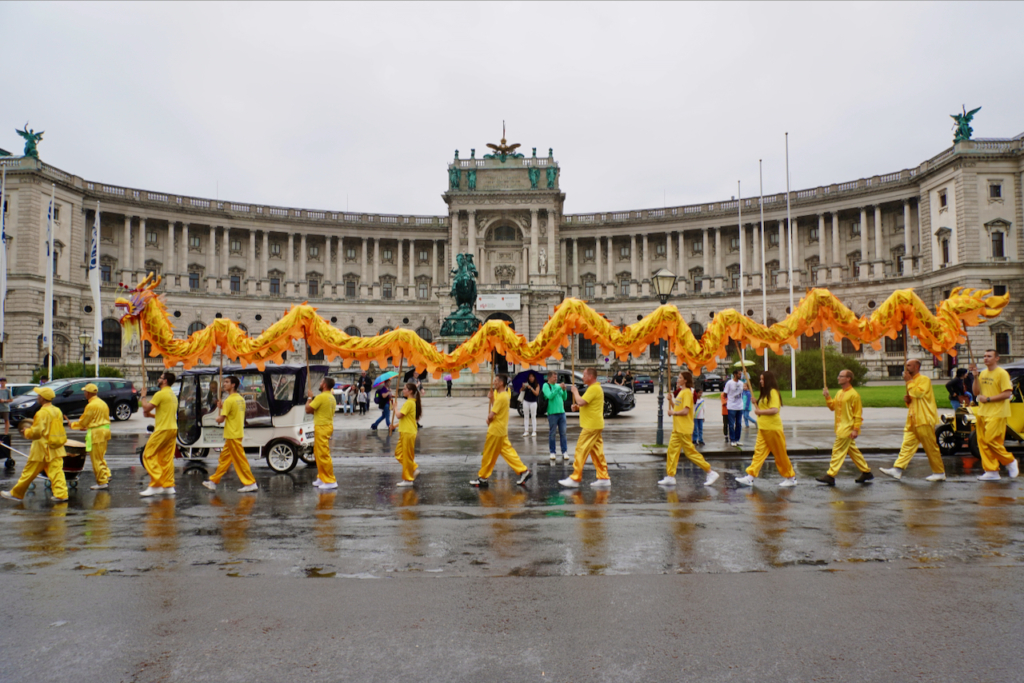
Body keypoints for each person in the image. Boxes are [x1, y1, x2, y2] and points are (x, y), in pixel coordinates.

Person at [881, 358, 945, 482]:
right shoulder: (911, 381)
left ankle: (939, 472)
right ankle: (898, 469)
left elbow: (918, 393)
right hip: (913, 418)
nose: (906, 368)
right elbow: (914, 400)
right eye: (906, 365)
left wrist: (909, 382)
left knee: (930, 446)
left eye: (909, 365)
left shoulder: (924, 379)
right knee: (907, 444)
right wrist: (908, 401)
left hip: (924, 418)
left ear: (917, 367)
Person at [1, 387, 69, 503]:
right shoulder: (57, 410)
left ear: (42, 398)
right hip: (55, 446)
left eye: (39, 395)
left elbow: (37, 432)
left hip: (41, 447)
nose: (37, 397)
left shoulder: (42, 413)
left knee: (29, 472)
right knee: (57, 472)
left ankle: (16, 493)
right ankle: (61, 494)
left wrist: (26, 431)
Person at [735, 371, 797, 488]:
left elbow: (774, 410)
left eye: (762, 379)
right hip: (763, 428)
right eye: (760, 379)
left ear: (768, 380)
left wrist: (760, 411)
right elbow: (765, 407)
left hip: (773, 428)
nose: (760, 381)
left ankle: (791, 477)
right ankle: (750, 477)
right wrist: (756, 402)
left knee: (780, 454)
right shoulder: (766, 393)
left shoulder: (773, 392)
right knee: (758, 453)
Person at [470, 374, 531, 488]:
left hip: (495, 430)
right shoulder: (505, 395)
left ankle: (483, 477)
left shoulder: (502, 396)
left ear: (501, 383)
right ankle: (523, 470)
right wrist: (492, 398)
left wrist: (488, 419)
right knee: (508, 453)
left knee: (488, 455)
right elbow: (496, 408)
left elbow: (492, 415)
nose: (494, 382)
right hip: (502, 430)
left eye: (496, 380)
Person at [660, 371, 719, 487]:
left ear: (685, 380)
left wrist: (673, 413)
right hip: (677, 429)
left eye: (680, 377)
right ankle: (670, 476)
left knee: (690, 453)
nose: (678, 379)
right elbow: (677, 408)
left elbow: (685, 411)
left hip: (684, 428)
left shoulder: (687, 393)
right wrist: (670, 400)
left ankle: (710, 472)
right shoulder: (681, 392)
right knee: (671, 451)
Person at [203, 375, 258, 493]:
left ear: (233, 385)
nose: (224, 384)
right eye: (224, 382)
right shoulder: (240, 398)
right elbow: (234, 412)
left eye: (227, 382)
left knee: (240, 460)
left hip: (232, 434)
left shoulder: (229, 400)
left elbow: (221, 419)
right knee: (224, 459)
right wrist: (222, 407)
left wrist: (216, 418)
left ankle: (250, 483)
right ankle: (213, 482)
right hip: (236, 433)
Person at [817, 370, 872, 486]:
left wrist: (856, 429)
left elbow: (858, 414)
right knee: (853, 452)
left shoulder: (854, 395)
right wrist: (827, 397)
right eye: (839, 375)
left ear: (848, 379)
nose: (838, 378)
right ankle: (866, 472)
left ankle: (831, 475)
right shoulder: (839, 393)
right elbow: (833, 407)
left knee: (837, 451)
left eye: (841, 376)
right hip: (840, 427)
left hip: (847, 428)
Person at [559, 367, 610, 489]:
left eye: (584, 375)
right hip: (595, 424)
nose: (582, 377)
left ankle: (575, 477)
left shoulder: (594, 388)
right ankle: (603, 477)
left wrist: (575, 392)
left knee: (580, 450)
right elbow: (586, 404)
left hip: (591, 426)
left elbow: (582, 401)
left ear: (591, 377)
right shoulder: (594, 388)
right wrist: (577, 407)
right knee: (597, 453)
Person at [972, 349, 1019, 481]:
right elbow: (976, 392)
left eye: (989, 356)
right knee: (982, 442)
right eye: (984, 356)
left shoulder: (1002, 373)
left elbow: (1007, 393)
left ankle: (1009, 461)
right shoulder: (983, 373)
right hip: (982, 412)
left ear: (997, 358)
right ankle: (991, 471)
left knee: (991, 440)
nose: (985, 358)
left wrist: (988, 399)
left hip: (997, 412)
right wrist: (975, 376)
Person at [67, 383, 112, 490]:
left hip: (96, 433)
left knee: (96, 458)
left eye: (85, 392)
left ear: (88, 393)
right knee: (100, 456)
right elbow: (98, 420)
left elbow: (84, 421)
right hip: (105, 431)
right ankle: (106, 474)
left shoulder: (91, 405)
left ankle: (102, 482)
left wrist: (72, 425)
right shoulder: (102, 403)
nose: (84, 393)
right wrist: (87, 427)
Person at [140, 372, 178, 497]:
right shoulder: (172, 395)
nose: (158, 379)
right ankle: (168, 485)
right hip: (172, 429)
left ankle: (156, 484)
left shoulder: (160, 394)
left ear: (165, 381)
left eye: (160, 378)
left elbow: (145, 407)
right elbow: (163, 414)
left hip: (163, 430)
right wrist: (150, 415)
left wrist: (143, 397)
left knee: (148, 454)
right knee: (166, 458)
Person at [306, 377, 338, 490]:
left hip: (322, 427)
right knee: (318, 453)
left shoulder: (321, 397)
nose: (319, 384)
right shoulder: (331, 397)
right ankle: (322, 476)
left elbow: (308, 409)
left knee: (323, 454)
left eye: (320, 382)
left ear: (324, 385)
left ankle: (330, 480)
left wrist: (309, 397)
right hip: (327, 426)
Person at [390, 382, 422, 486]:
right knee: (399, 453)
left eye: (405, 389)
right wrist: (394, 426)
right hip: (405, 431)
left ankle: (408, 479)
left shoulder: (409, 403)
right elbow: (405, 419)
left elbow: (399, 415)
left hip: (408, 432)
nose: (403, 390)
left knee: (407, 456)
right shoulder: (410, 402)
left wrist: (395, 407)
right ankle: (413, 468)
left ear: (410, 391)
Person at [543, 371, 569, 462]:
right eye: (554, 377)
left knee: (563, 433)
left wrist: (564, 390)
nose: (556, 379)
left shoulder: (558, 386)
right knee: (553, 433)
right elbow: (550, 396)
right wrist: (558, 388)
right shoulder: (546, 386)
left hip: (562, 412)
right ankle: (552, 452)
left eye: (556, 377)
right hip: (552, 413)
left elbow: (564, 398)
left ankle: (564, 451)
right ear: (549, 378)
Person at [724, 369, 745, 445]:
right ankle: (732, 439)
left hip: (739, 406)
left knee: (739, 423)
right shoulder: (729, 383)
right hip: (732, 406)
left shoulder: (741, 383)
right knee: (731, 424)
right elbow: (725, 393)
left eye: (741, 374)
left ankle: (737, 439)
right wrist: (729, 400)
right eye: (739, 374)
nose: (740, 375)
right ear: (735, 374)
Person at [522, 372, 540, 437]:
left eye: (532, 376)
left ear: (534, 377)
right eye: (530, 377)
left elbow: (536, 393)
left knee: (533, 416)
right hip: (526, 401)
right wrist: (523, 387)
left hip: (533, 402)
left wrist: (531, 388)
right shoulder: (526, 383)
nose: (531, 378)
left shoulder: (537, 384)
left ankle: (534, 431)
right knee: (526, 416)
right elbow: (521, 391)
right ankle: (526, 430)